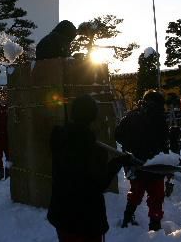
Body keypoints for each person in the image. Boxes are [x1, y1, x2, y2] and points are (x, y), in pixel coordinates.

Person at [47, 94, 130, 242]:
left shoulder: (60, 139)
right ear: (93, 116)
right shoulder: (92, 149)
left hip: (62, 214)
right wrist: (117, 162)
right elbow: (99, 182)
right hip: (85, 220)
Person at [115, 89, 170, 232]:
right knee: (156, 197)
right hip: (155, 164)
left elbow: (118, 135)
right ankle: (155, 226)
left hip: (136, 163)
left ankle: (127, 219)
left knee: (136, 193)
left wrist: (130, 147)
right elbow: (165, 143)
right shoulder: (161, 118)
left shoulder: (132, 115)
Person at [0, 103, 11, 181]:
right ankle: (0, 173)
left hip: (7, 138)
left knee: (9, 157)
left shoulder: (9, 109)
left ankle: (8, 173)